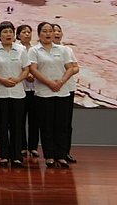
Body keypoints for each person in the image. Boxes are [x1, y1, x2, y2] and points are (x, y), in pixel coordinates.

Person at [28, 22, 75, 168]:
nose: (48, 33)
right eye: (45, 31)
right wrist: (49, 82)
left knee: (61, 126)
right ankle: (49, 156)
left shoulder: (63, 49)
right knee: (46, 126)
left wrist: (61, 82)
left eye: (50, 31)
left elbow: (70, 67)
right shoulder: (34, 50)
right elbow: (33, 69)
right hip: (44, 92)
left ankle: (61, 156)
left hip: (62, 91)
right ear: (39, 34)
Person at [0, 21, 30, 167]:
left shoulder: (21, 50)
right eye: (5, 32)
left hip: (18, 92)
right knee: (2, 125)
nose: (8, 34)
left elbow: (26, 69)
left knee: (17, 126)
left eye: (10, 31)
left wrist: (18, 79)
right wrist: (1, 80)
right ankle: (4, 156)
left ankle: (16, 156)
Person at [53, 24, 79, 164]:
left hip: (67, 88)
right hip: (50, 89)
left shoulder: (67, 50)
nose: (56, 33)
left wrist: (64, 76)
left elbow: (75, 67)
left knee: (66, 123)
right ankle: (51, 153)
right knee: (51, 123)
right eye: (53, 31)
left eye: (59, 31)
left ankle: (65, 152)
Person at [16, 24, 39, 158]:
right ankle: (22, 147)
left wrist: (34, 75)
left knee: (34, 119)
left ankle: (33, 147)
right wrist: (25, 75)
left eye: (29, 32)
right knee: (20, 119)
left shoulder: (36, 49)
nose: (27, 34)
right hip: (21, 87)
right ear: (18, 35)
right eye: (24, 32)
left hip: (35, 88)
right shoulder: (16, 49)